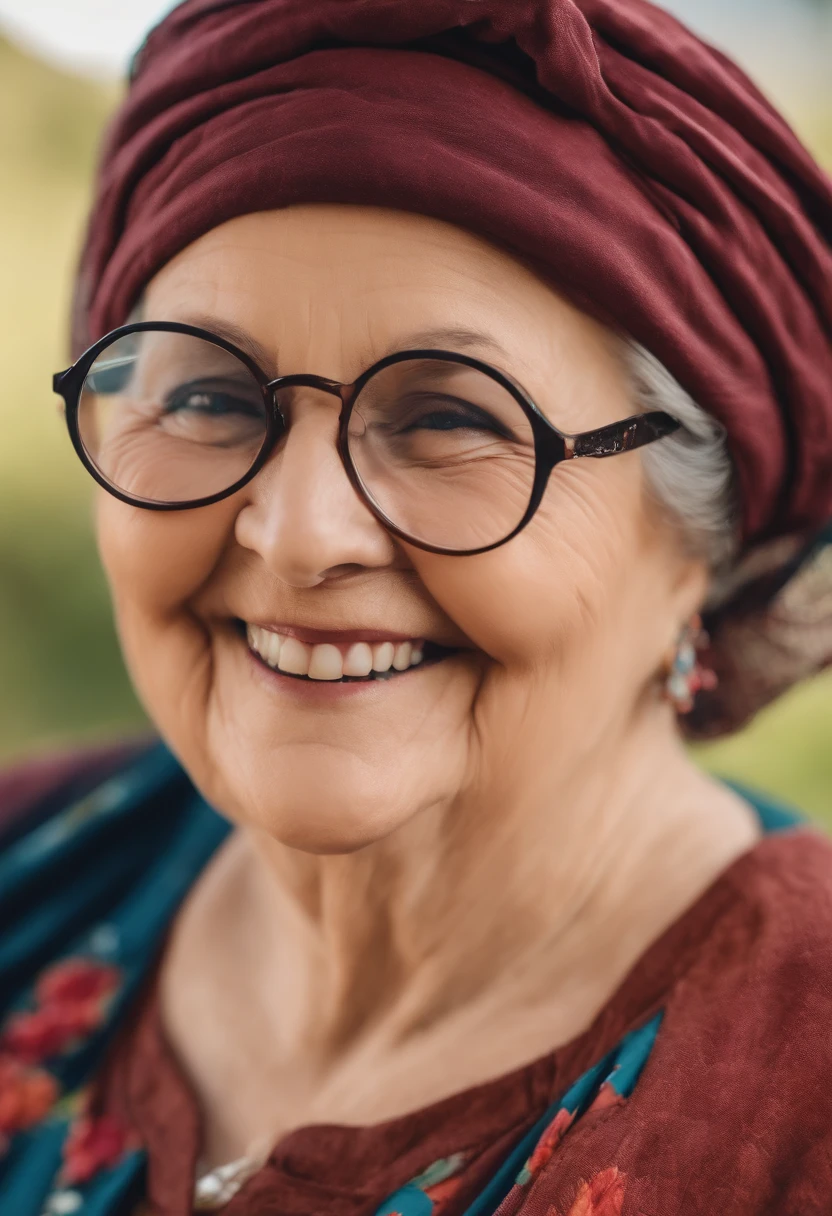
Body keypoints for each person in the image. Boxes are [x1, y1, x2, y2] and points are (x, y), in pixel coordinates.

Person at [2, 1, 832, 1213]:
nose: (294, 535)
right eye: (212, 398)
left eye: (450, 418)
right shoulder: (31, 867)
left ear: (703, 540)